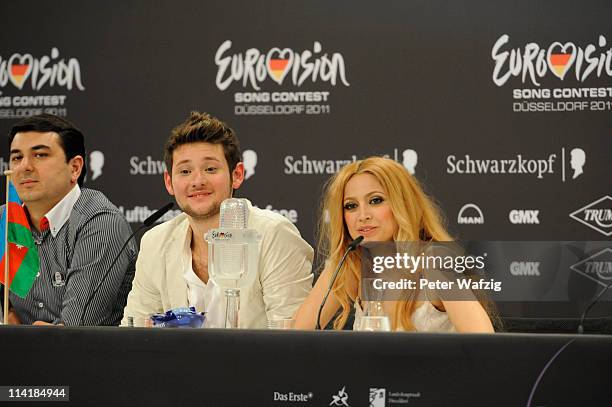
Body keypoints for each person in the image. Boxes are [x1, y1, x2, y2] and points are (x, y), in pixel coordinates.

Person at [121, 111, 313, 327]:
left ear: (237, 174)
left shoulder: (273, 235)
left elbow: (291, 337)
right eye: (185, 171)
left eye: (210, 169)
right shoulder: (156, 242)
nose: (197, 180)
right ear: (169, 182)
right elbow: (134, 331)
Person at [294, 157, 495, 332]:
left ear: (403, 204)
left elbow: (487, 348)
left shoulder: (435, 262)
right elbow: (296, 336)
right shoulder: (351, 265)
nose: (363, 216)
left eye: (375, 200)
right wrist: (336, 263)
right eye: (351, 206)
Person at [6, 114, 136, 326]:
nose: (24, 167)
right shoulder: (6, 221)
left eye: (39, 155)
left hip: (93, 357)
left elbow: (73, 332)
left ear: (75, 167)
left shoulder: (100, 222)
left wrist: (20, 335)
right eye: (17, 157)